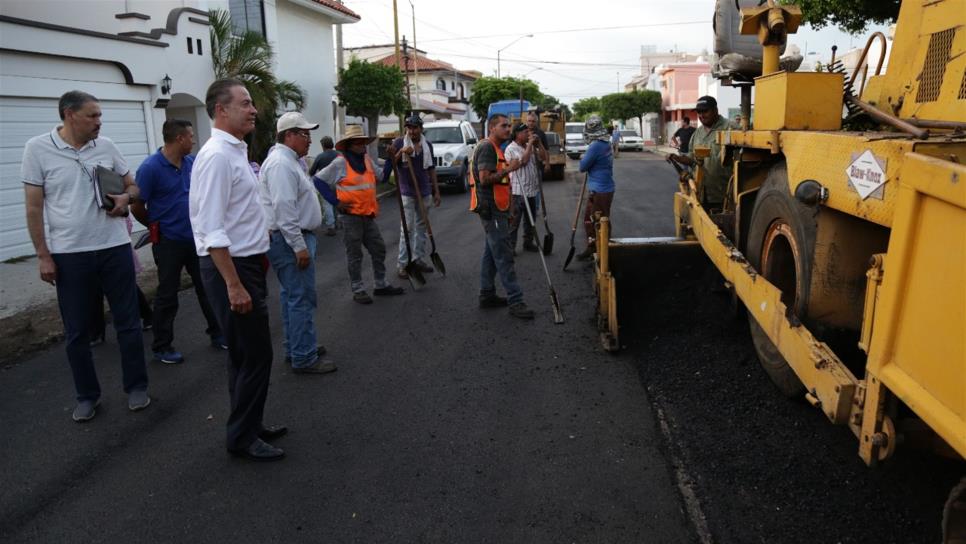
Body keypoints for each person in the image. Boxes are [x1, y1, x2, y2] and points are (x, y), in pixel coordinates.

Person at [21, 90, 151, 422]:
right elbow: (34, 208)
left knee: (128, 323)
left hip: (113, 249)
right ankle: (86, 396)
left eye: (99, 115)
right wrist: (43, 255)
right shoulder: (37, 149)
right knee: (77, 332)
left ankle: (136, 387)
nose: (99, 121)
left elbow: (133, 186)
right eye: (92, 115)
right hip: (70, 255)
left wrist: (126, 198)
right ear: (69, 114)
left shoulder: (106, 147)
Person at [190, 78, 286, 462]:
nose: (253, 110)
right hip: (231, 268)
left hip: (245, 264)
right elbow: (211, 227)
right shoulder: (216, 156)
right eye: (244, 103)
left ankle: (248, 424)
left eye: (251, 104)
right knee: (256, 355)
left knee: (244, 356)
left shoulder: (235, 152)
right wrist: (233, 284)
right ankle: (242, 437)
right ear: (220, 110)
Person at [130, 119, 226, 365]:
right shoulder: (150, 168)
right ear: (180, 138)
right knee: (167, 294)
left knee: (207, 288)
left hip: (197, 238)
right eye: (191, 136)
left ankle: (218, 333)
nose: (194, 140)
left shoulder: (193, 163)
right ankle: (162, 346)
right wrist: (156, 225)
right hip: (168, 242)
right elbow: (137, 205)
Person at [258, 112, 336, 375]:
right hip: (291, 239)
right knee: (301, 298)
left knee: (293, 296)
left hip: (290, 238)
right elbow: (284, 209)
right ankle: (304, 355)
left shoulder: (288, 161)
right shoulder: (281, 164)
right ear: (289, 136)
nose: (309, 140)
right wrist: (298, 245)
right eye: (304, 134)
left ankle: (298, 346)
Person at [315, 125, 406, 304]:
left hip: (368, 215)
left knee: (378, 249)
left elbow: (383, 178)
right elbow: (318, 180)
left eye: (364, 143)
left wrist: (390, 160)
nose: (363, 146)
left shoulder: (367, 160)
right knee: (355, 254)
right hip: (351, 218)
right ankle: (358, 289)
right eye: (359, 143)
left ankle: (380, 284)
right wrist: (336, 201)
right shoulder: (340, 163)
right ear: (349, 145)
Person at [469, 114, 534, 320]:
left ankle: (487, 294)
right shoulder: (488, 148)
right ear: (491, 128)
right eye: (503, 126)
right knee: (504, 256)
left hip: (499, 208)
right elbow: (485, 179)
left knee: (491, 253)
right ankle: (516, 300)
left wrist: (510, 207)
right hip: (491, 210)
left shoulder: (495, 148)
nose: (508, 129)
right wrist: (510, 168)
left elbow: (501, 184)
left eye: (509, 126)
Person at [390, 114, 441, 279]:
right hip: (407, 192)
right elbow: (392, 164)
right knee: (407, 228)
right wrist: (401, 152)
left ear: (421, 128)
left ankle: (417, 259)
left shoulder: (428, 146)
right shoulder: (399, 143)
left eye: (414, 127)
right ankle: (403, 264)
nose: (411, 131)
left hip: (424, 191)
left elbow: (431, 168)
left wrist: (436, 191)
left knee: (422, 227)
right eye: (409, 128)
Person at [670, 96, 733, 209]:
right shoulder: (697, 133)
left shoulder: (731, 129)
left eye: (705, 111)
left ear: (716, 110)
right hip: (700, 195)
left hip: (725, 197)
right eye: (699, 112)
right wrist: (677, 158)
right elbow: (692, 157)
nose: (701, 115)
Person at [577, 115, 616, 261]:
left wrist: (584, 158)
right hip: (600, 189)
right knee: (590, 219)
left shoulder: (595, 146)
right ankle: (593, 246)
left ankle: (605, 253)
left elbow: (582, 167)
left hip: (601, 191)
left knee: (600, 222)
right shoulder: (605, 143)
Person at [504, 122, 541, 253]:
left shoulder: (527, 146)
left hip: (531, 190)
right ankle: (511, 247)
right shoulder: (511, 148)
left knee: (530, 220)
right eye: (525, 132)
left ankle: (528, 242)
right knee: (514, 222)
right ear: (518, 134)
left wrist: (538, 144)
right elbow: (523, 162)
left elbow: (542, 157)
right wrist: (530, 144)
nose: (528, 134)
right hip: (518, 191)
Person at [308, 135, 339, 236]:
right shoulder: (339, 155)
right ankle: (338, 223)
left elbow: (311, 172)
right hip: (338, 182)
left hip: (325, 183)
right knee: (337, 202)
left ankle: (331, 227)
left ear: (323, 146)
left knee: (327, 204)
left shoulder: (320, 157)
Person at [525, 111, 551, 177]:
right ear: (526, 121)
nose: (531, 123)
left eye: (533, 121)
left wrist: (547, 164)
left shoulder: (541, 133)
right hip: (524, 164)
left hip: (537, 164)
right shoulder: (521, 131)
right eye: (529, 121)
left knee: (537, 185)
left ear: (536, 122)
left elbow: (546, 149)